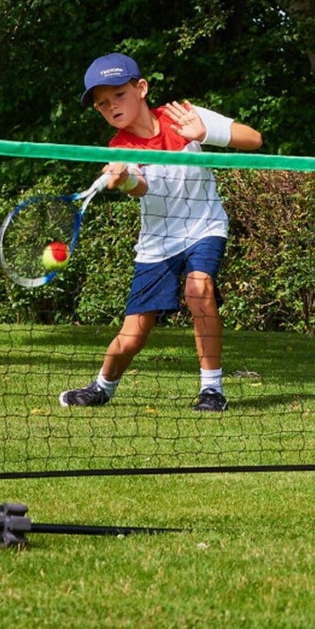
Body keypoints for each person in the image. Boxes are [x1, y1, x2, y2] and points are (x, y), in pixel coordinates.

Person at [59, 53, 263, 414]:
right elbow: (141, 187)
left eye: (118, 95)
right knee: (133, 335)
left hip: (205, 225)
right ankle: (102, 387)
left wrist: (204, 133)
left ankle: (211, 390)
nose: (111, 107)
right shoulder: (119, 149)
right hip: (158, 242)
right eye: (102, 104)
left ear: (141, 88)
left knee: (199, 288)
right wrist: (125, 180)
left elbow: (254, 139)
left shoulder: (183, 115)